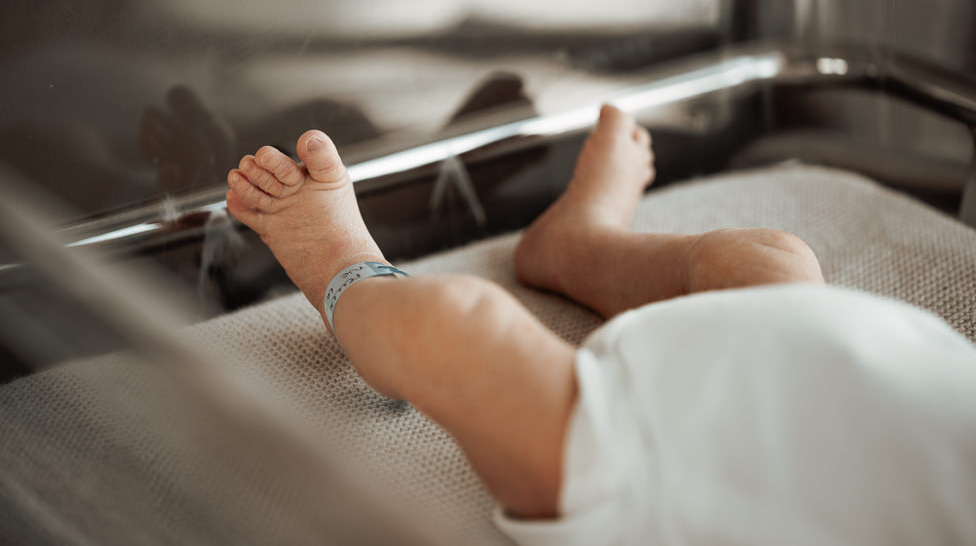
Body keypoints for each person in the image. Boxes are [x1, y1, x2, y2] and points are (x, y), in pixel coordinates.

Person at [226, 104, 976, 545]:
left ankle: (349, 278)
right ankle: (580, 240)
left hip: (686, 473)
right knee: (771, 253)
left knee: (459, 326)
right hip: (832, 354)